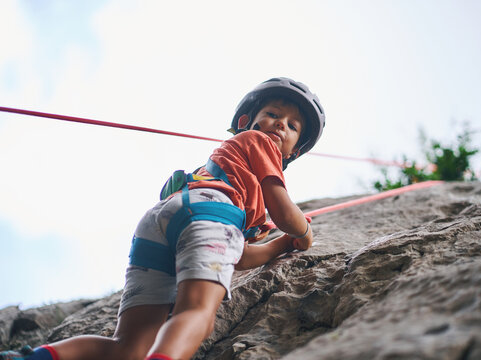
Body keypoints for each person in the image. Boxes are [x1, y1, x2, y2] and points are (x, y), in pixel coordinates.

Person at [1, 77, 325, 360]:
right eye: (272, 114)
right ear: (246, 122)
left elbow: (233, 254)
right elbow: (284, 213)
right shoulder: (258, 141)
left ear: (294, 151)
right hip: (211, 211)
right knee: (197, 311)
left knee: (127, 348)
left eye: (292, 125)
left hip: (162, 221)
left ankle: (36, 358)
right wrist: (302, 233)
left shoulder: (229, 177)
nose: (281, 123)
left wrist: (282, 246)